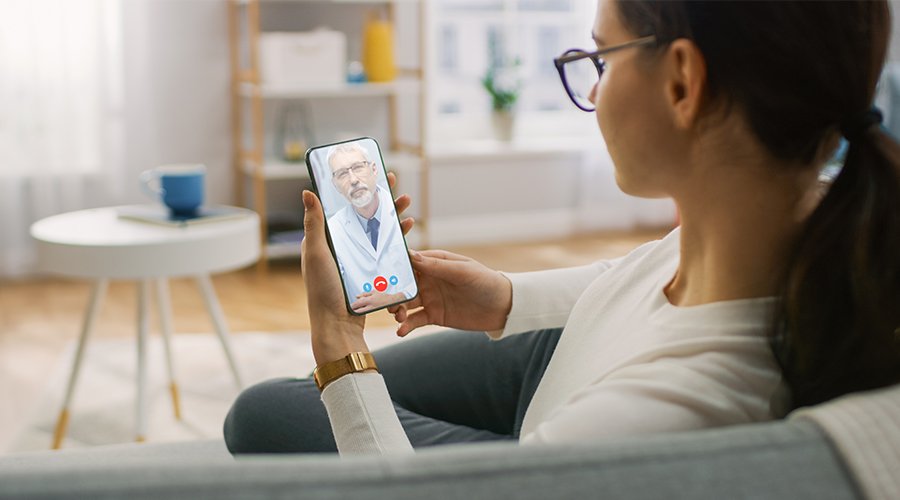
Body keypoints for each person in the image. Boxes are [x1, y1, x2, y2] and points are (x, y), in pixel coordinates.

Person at [224, 0, 899, 457]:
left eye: (600, 59)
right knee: (276, 407)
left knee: (264, 414)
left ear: (682, 84)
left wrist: (339, 341)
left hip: (570, 411)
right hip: (572, 353)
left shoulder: (674, 408)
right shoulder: (797, 214)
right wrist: (504, 297)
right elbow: (640, 273)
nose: (594, 92)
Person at [321, 142, 416, 314]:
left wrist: (397, 297)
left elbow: (414, 279)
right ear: (335, 185)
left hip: (408, 309)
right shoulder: (333, 229)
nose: (353, 180)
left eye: (357, 167)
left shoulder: (397, 213)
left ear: (374, 169)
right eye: (342, 174)